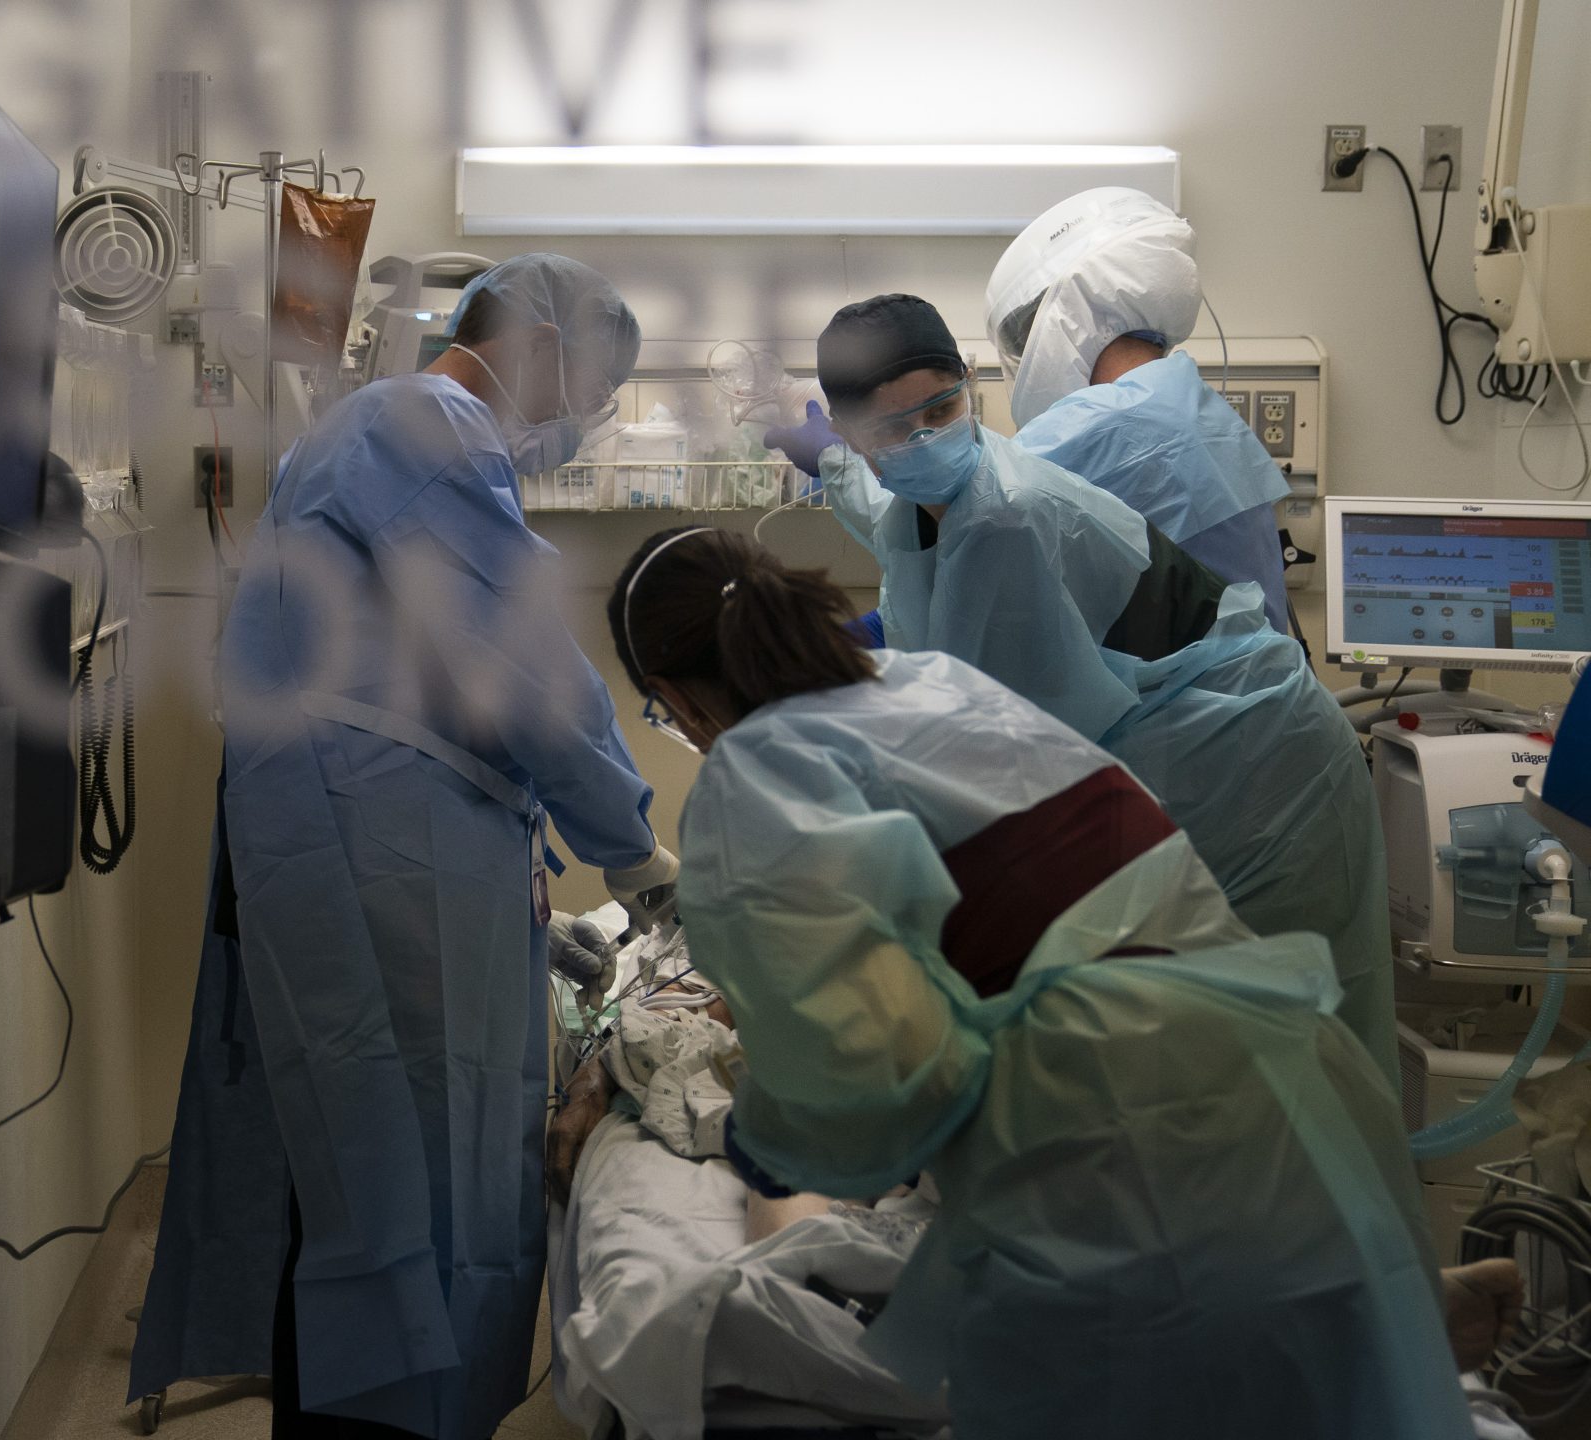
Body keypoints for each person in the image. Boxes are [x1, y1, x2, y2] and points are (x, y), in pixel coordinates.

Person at [596, 525, 1474, 1440]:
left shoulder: (754, 777)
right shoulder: (931, 682)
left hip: (1104, 1119)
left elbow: (872, 1087)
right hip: (1270, 1060)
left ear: (672, 698)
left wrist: (769, 1141)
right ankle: (1388, 1317)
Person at [130, 253, 678, 1440]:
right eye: (590, 389)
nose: (581, 423)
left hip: (361, 827)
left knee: (354, 1167)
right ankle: (383, 1420)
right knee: (396, 1178)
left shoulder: (396, 430)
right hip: (367, 847)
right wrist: (635, 848)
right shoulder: (423, 422)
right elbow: (520, 652)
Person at [762, 293, 1394, 1077]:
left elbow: (1001, 770)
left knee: (1282, 1052)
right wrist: (822, 457)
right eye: (893, 429)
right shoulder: (935, 487)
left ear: (969, 385)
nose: (926, 439)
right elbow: (890, 500)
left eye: (942, 407)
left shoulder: (1007, 516)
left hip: (1259, 771)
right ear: (859, 438)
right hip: (1187, 757)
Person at [985, 186, 1292, 631]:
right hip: (1258, 693)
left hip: (1171, 700)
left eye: (1021, 340)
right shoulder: (1187, 404)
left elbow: (971, 529)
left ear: (1066, 315)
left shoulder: (1092, 431)